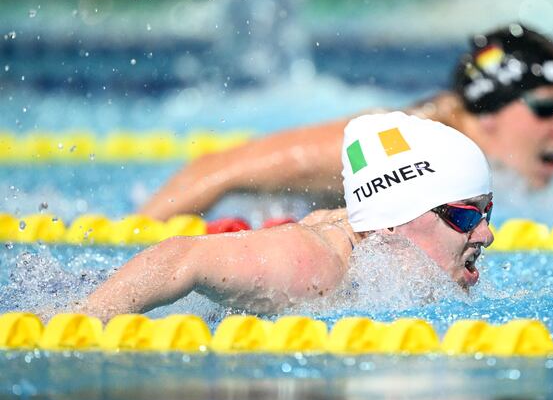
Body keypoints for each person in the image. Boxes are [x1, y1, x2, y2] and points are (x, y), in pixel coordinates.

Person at [140, 23, 553, 220]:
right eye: (548, 109)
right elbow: (215, 169)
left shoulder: (485, 172)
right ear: (488, 109)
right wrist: (126, 243)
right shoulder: (394, 144)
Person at [83, 112, 494, 321]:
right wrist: (76, 321)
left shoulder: (385, 250)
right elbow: (182, 257)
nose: (487, 234)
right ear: (390, 220)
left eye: (486, 211)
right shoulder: (318, 267)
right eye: (465, 216)